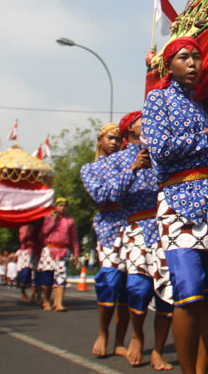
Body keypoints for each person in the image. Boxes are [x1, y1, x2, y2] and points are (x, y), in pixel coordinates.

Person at [143, 36, 208, 374]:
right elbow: (160, 149)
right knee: (188, 292)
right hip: (176, 203)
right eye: (184, 57)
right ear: (168, 65)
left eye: (197, 57)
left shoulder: (207, 105)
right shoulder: (157, 100)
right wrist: (206, 135)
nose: (192, 63)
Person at [104, 111, 174, 369]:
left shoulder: (160, 151)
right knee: (137, 287)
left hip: (164, 224)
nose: (149, 121)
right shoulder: (118, 159)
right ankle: (137, 334)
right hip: (135, 227)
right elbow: (109, 194)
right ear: (130, 128)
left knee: (168, 289)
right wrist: (132, 170)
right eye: (142, 119)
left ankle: (157, 349)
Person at [81, 122, 130, 358]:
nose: (114, 142)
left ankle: (120, 340)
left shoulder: (129, 162)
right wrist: (128, 178)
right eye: (110, 138)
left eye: (118, 139)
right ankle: (103, 333)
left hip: (133, 226)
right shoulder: (89, 169)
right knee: (109, 282)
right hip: (109, 228)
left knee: (131, 287)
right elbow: (101, 195)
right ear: (100, 140)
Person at [36, 198, 79, 311]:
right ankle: (46, 301)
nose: (62, 207)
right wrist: (53, 220)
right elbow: (44, 232)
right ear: (55, 206)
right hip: (49, 250)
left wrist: (76, 253)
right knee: (47, 278)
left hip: (63, 251)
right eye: (60, 205)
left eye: (65, 206)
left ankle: (59, 303)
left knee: (61, 277)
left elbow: (74, 238)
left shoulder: (70, 221)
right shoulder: (48, 218)